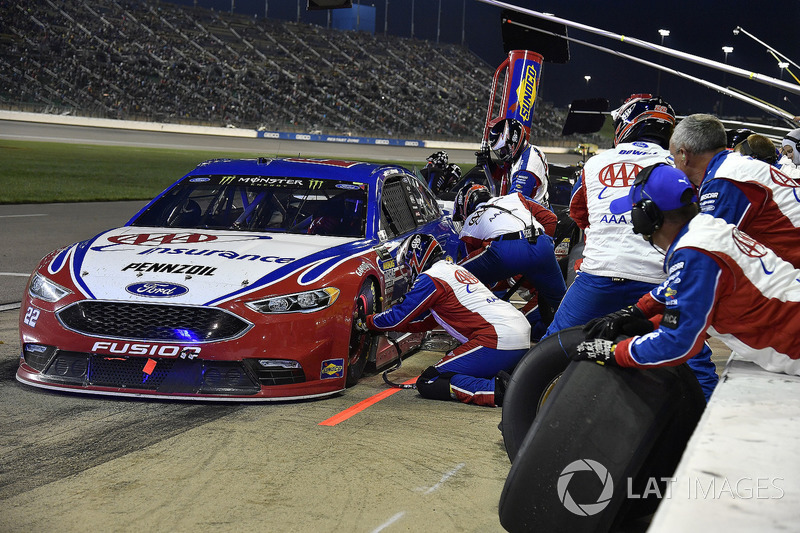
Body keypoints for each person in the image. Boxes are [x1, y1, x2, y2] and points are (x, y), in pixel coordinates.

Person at [573, 164, 800, 376]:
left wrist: (613, 352)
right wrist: (644, 321)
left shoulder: (694, 252)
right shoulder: (708, 229)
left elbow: (678, 343)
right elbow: (699, 309)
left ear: (646, 217)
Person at [543, 94, 679, 336]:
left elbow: (578, 213)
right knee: (686, 349)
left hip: (599, 275)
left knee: (554, 343)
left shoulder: (595, 163)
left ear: (626, 125)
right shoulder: (680, 165)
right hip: (658, 281)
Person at [363, 233, 531, 407]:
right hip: (517, 333)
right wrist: (384, 327)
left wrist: (368, 322)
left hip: (497, 338)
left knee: (430, 381)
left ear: (416, 258)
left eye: (407, 266)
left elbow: (399, 316)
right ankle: (508, 381)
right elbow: (425, 322)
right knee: (450, 367)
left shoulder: (431, 278)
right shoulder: (453, 270)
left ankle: (498, 392)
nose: (407, 271)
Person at [670, 114, 800, 269]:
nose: (674, 163)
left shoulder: (724, 179)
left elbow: (708, 251)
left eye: (673, 156)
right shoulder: (733, 168)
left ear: (683, 155)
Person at [454, 184, 565, 340]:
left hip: (506, 252)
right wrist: (537, 256)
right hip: (542, 244)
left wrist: (510, 270)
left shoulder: (470, 224)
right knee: (563, 303)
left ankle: (478, 330)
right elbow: (551, 218)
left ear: (465, 206)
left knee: (454, 275)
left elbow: (474, 281)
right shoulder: (516, 198)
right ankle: (576, 338)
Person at [478, 117, 551, 207]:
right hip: (539, 206)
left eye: (503, 149)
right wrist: (491, 166)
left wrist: (488, 203)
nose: (501, 154)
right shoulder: (531, 150)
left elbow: (513, 203)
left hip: (533, 213)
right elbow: (507, 174)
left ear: (514, 142)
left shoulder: (525, 170)